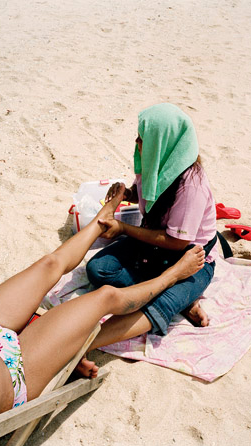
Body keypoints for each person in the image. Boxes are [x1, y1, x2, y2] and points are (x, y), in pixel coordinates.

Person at [0, 183, 205, 439]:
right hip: (14, 372)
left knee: (49, 264)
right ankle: (172, 276)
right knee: (104, 297)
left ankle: (99, 222)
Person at [82, 103, 217, 375]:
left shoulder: (191, 185)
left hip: (189, 258)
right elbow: (148, 192)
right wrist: (127, 194)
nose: (137, 142)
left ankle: (84, 344)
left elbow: (178, 242)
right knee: (99, 270)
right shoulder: (157, 162)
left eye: (143, 138)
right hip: (154, 244)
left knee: (160, 306)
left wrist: (122, 228)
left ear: (163, 142)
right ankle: (177, 296)